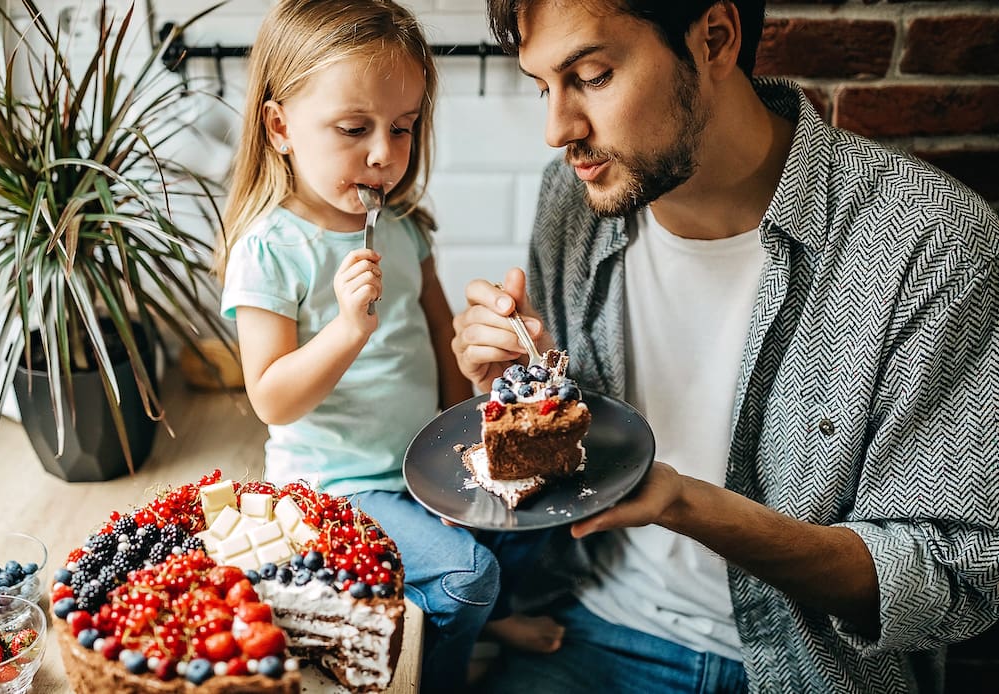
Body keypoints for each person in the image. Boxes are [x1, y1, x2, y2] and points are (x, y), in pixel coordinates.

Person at [451, 0, 999, 692]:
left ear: (713, 39)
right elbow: (561, 476)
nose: (557, 128)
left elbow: (947, 578)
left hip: (808, 671)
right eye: (540, 86)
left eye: (590, 75)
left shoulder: (932, 244)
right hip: (587, 627)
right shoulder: (574, 196)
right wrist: (517, 390)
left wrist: (688, 505)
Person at [214, 2, 563, 689]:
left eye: (402, 128)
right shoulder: (270, 249)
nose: (384, 153)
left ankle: (487, 613)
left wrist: (473, 422)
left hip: (418, 463)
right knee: (469, 575)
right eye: (354, 128)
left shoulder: (401, 228)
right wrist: (347, 330)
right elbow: (271, 400)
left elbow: (437, 334)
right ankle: (441, 668)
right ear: (280, 126)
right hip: (336, 486)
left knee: (543, 508)